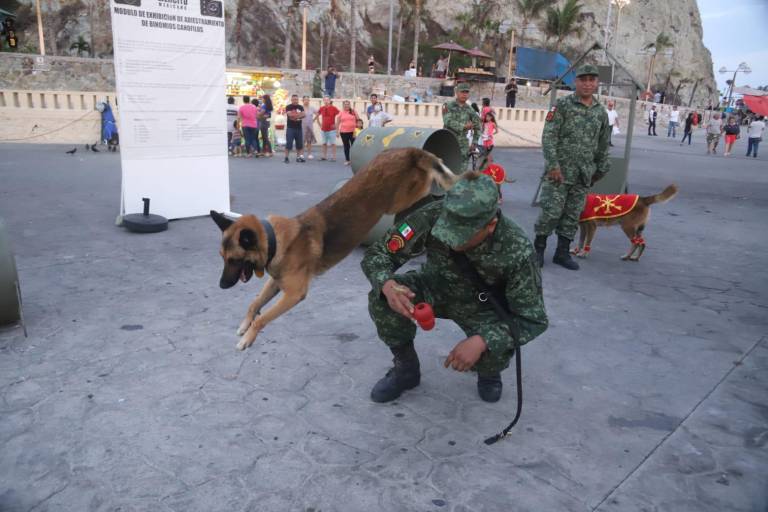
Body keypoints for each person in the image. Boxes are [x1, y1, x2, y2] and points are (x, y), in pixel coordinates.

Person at [361, 172, 548, 403]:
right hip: (434, 286)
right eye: (449, 230)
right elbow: (379, 253)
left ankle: (489, 373)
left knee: (493, 348)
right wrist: (386, 284)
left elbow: (533, 319)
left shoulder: (516, 249)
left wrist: (483, 340)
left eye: (463, 236)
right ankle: (406, 370)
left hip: (482, 306)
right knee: (381, 298)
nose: (452, 241)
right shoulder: (433, 214)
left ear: (491, 225)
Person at [533, 64, 610, 271]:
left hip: (584, 174)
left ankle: (562, 253)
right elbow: (549, 137)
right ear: (576, 82)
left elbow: (603, 144)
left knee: (572, 215)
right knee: (551, 211)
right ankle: (538, 250)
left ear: (596, 83)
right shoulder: (563, 105)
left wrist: (600, 170)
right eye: (583, 80)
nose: (587, 84)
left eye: (591, 80)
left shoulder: (601, 112)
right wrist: (553, 166)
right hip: (559, 172)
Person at [443, 83, 481, 171]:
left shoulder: (470, 110)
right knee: (447, 170)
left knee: (462, 171)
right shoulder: (448, 105)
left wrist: (474, 142)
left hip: (463, 145)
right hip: (448, 141)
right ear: (457, 92)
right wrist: (464, 126)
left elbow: (478, 127)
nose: (464, 94)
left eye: (466, 92)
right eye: (462, 92)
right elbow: (447, 121)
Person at [284, 94, 306, 163]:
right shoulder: (288, 107)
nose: (295, 101)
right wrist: (299, 116)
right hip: (290, 128)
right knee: (289, 144)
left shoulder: (301, 107)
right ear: (291, 100)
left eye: (296, 99)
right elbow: (290, 115)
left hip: (299, 128)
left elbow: (304, 115)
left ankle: (298, 157)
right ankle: (286, 158)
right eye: (294, 99)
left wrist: (295, 116)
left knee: (299, 144)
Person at [335, 100, 359, 166]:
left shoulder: (353, 112)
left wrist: (358, 130)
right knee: (346, 146)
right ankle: (347, 160)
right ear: (343, 105)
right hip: (344, 132)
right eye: (345, 104)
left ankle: (354, 160)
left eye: (348, 104)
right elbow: (337, 123)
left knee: (354, 146)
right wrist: (337, 132)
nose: (346, 105)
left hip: (353, 132)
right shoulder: (341, 113)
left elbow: (358, 121)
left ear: (350, 105)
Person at [317, 96, 339, 161]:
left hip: (332, 129)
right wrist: (319, 124)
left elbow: (339, 116)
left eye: (327, 100)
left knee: (333, 143)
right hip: (323, 129)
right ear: (323, 101)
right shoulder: (321, 108)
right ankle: (324, 156)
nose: (326, 101)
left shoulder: (334, 108)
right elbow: (317, 116)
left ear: (330, 101)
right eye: (325, 100)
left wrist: (336, 124)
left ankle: (334, 157)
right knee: (324, 143)